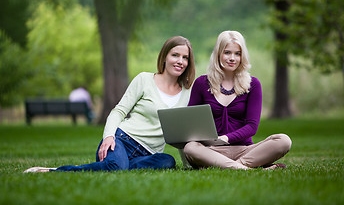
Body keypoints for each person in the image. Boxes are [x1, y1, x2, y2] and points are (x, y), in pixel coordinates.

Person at [24, 36, 195, 173]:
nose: (180, 61)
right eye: (175, 55)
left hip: (149, 154)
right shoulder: (144, 79)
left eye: (185, 57)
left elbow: (182, 134)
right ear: (164, 57)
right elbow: (118, 111)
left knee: (167, 161)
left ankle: (120, 165)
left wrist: (188, 165)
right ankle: (55, 170)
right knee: (117, 167)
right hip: (122, 140)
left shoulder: (187, 92)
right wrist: (109, 137)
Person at [183, 31, 292, 170]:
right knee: (190, 148)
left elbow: (252, 126)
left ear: (242, 56)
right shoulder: (201, 83)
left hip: (245, 150)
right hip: (211, 151)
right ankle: (249, 169)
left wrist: (225, 138)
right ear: (218, 54)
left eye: (237, 53)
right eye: (227, 52)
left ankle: (229, 166)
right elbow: (190, 123)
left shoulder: (253, 84)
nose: (232, 58)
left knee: (283, 140)